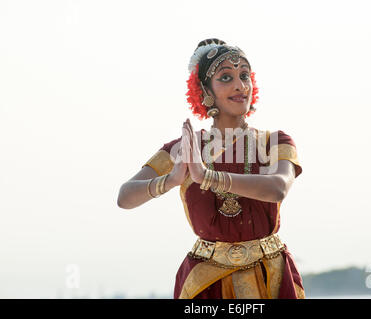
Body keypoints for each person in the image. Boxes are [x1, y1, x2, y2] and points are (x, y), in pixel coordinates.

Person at [117, 38, 305, 299]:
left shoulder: (273, 142)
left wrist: (206, 176)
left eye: (244, 75)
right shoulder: (185, 148)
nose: (240, 85)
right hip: (206, 281)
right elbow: (125, 197)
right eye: (226, 77)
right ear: (205, 90)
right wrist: (171, 180)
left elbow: (278, 188)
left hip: (269, 276)